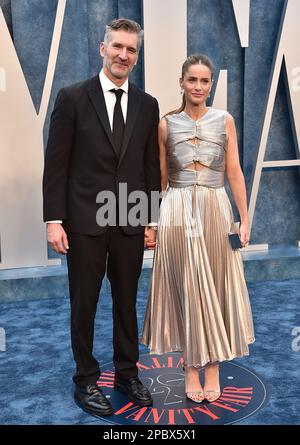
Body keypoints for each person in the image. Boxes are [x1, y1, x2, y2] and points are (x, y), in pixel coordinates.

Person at [43, 18, 161, 417]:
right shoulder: (73, 97)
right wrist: (53, 219)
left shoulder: (147, 104)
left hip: (129, 220)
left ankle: (127, 374)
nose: (123, 55)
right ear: (102, 48)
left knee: (127, 302)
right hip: (83, 223)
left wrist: (151, 220)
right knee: (85, 302)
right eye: (117, 47)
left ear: (136, 56)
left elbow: (149, 167)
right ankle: (86, 379)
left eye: (131, 50)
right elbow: (56, 164)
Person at [141, 54, 255, 404]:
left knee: (218, 282)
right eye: (192, 80)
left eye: (205, 81)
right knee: (186, 285)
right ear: (181, 82)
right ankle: (190, 366)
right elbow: (159, 177)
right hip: (176, 208)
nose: (198, 87)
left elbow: (234, 171)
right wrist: (151, 220)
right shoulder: (165, 124)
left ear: (210, 85)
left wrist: (244, 216)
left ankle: (214, 366)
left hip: (215, 208)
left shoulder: (225, 120)